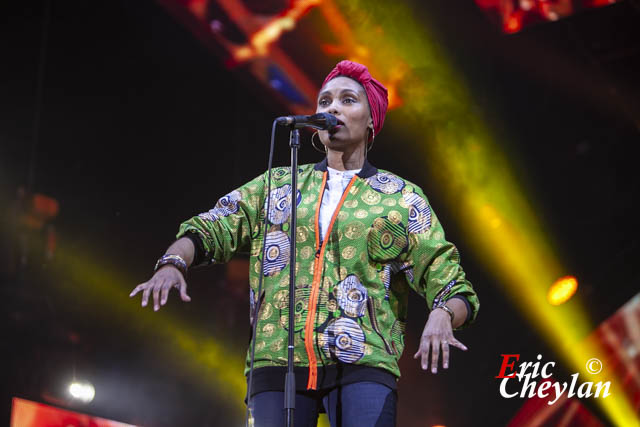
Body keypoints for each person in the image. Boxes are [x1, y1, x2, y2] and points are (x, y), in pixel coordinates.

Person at [130, 60, 479, 427]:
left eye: (348, 100)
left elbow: (452, 283)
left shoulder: (401, 198)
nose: (332, 108)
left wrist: (443, 313)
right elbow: (213, 226)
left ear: (371, 119)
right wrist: (172, 262)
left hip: (363, 364)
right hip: (276, 361)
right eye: (325, 101)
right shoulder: (278, 184)